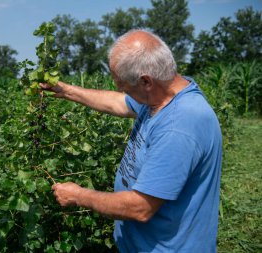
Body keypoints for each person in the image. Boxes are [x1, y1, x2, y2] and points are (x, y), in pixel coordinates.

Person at [40, 29, 222, 252]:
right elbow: (118, 103)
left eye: (124, 86)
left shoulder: (179, 127)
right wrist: (65, 90)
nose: (122, 91)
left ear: (146, 81)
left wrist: (78, 195)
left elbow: (140, 208)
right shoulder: (162, 94)